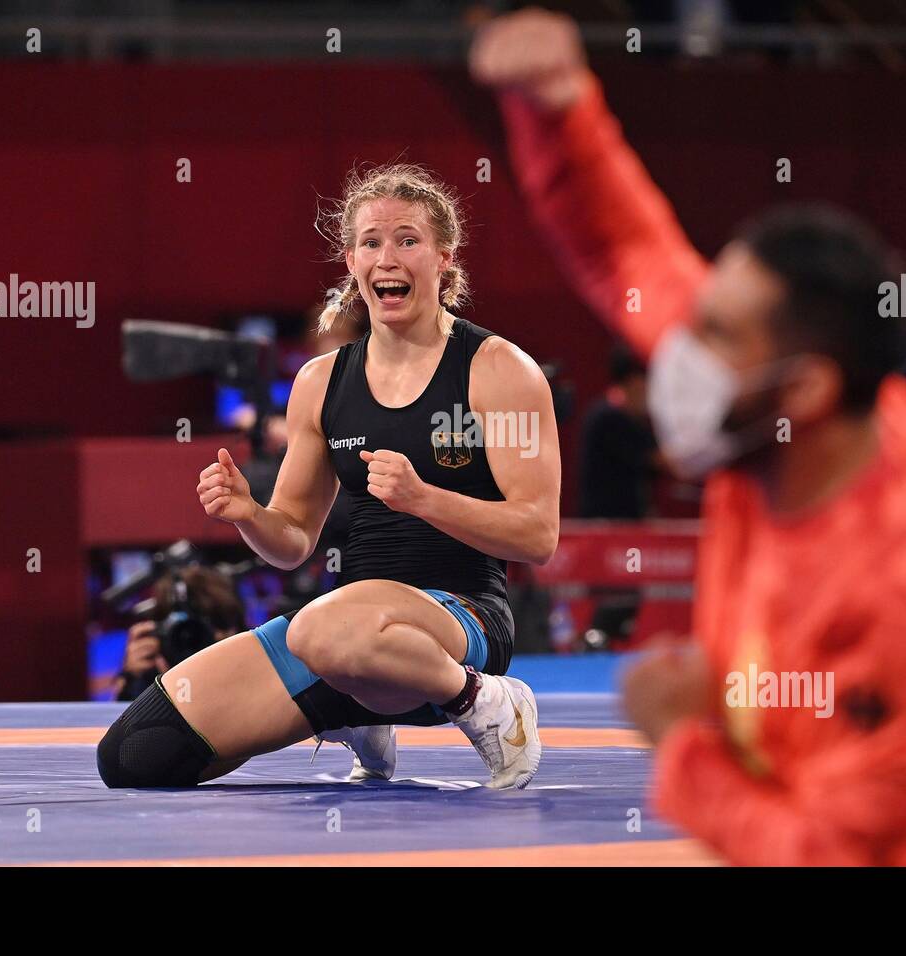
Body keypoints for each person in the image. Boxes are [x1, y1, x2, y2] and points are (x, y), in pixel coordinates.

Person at [472, 9, 906, 863]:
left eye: (717, 334)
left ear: (803, 388)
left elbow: (832, 857)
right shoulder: (774, 416)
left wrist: (683, 744)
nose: (680, 354)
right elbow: (629, 251)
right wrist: (557, 106)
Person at [97, 163, 561, 790]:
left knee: (323, 626)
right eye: (371, 242)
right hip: (345, 644)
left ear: (444, 259)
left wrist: (426, 499)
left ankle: (488, 704)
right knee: (136, 756)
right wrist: (249, 515)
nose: (387, 258)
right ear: (350, 261)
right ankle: (360, 711)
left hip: (462, 620)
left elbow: (537, 535)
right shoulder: (320, 383)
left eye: (407, 240)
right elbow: (291, 542)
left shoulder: (499, 371)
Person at [112, 567, 247, 703]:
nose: (193, 641)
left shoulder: (252, 677)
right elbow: (123, 722)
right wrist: (130, 680)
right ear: (162, 632)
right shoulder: (150, 672)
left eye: (202, 631)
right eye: (182, 630)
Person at [578, 343, 660, 519]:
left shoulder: (635, 421)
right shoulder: (609, 418)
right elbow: (661, 460)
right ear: (634, 381)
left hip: (630, 524)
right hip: (605, 528)